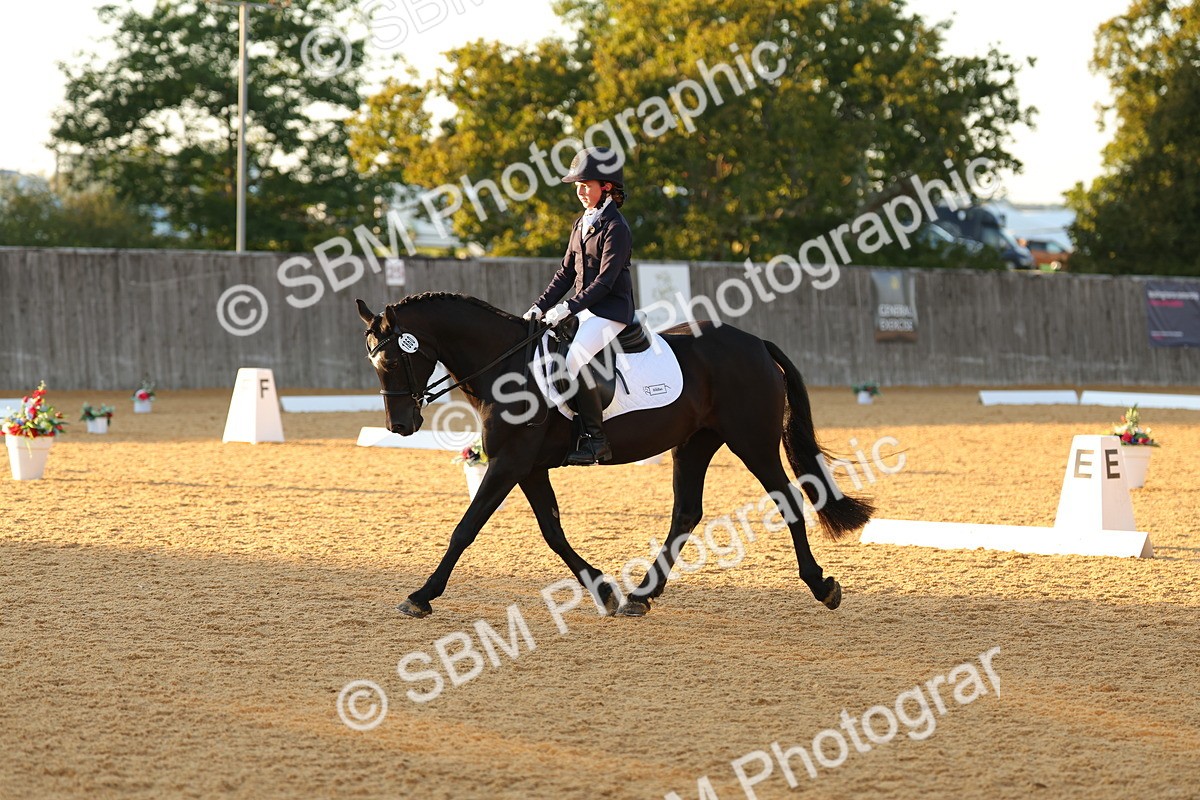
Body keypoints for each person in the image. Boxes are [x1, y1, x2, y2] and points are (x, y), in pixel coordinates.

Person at [523, 147, 635, 466]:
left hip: (611, 312)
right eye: (577, 185)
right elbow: (565, 273)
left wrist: (569, 307)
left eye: (586, 184)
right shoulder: (581, 223)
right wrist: (540, 307)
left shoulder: (617, 228)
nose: (580, 191)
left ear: (607, 186)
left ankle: (596, 442)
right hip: (584, 309)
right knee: (543, 352)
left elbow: (606, 282)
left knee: (574, 360)